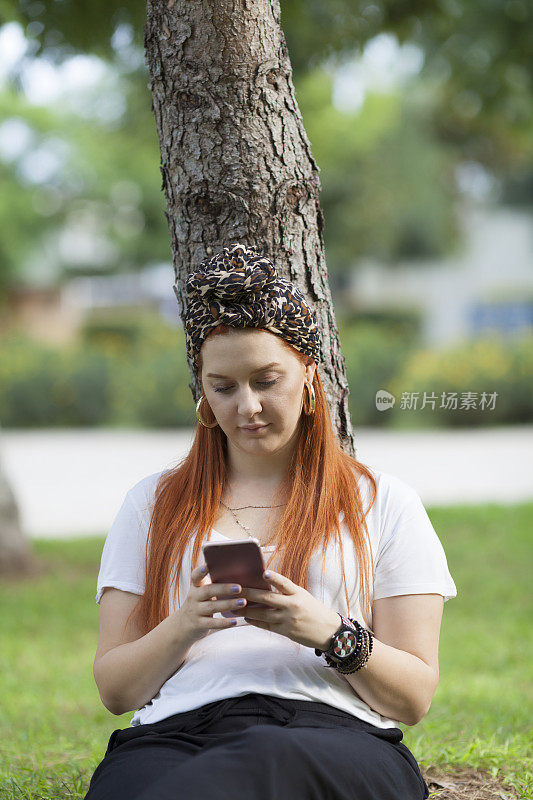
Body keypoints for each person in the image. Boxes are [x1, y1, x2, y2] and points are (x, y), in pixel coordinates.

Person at [84, 243, 457, 800]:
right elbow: (117, 691)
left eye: (266, 380)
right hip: (177, 733)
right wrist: (186, 623)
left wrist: (327, 630)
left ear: (309, 375)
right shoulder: (152, 503)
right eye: (224, 387)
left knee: (269, 757)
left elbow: (414, 698)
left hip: (334, 732)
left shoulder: (384, 502)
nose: (247, 407)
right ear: (202, 394)